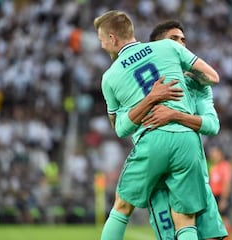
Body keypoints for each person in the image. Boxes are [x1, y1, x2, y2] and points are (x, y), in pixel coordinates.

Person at [94, 10, 220, 240]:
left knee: (122, 207)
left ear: (112, 38)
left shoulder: (110, 77)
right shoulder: (169, 49)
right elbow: (212, 77)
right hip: (188, 142)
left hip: (152, 141)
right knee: (185, 218)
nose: (102, 46)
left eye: (102, 40)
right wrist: (186, 78)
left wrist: (150, 100)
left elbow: (121, 129)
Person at [142, 20, 228, 240]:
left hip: (195, 175)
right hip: (161, 182)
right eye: (174, 39)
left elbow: (212, 125)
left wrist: (175, 115)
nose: (181, 44)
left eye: (183, 40)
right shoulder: (141, 83)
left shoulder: (197, 85)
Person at [208, 147, 232, 239]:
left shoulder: (225, 166)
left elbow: (227, 183)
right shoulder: (213, 166)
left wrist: (224, 199)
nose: (213, 155)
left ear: (221, 154)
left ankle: (227, 237)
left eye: (215, 153)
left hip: (221, 195)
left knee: (225, 217)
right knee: (214, 217)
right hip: (213, 195)